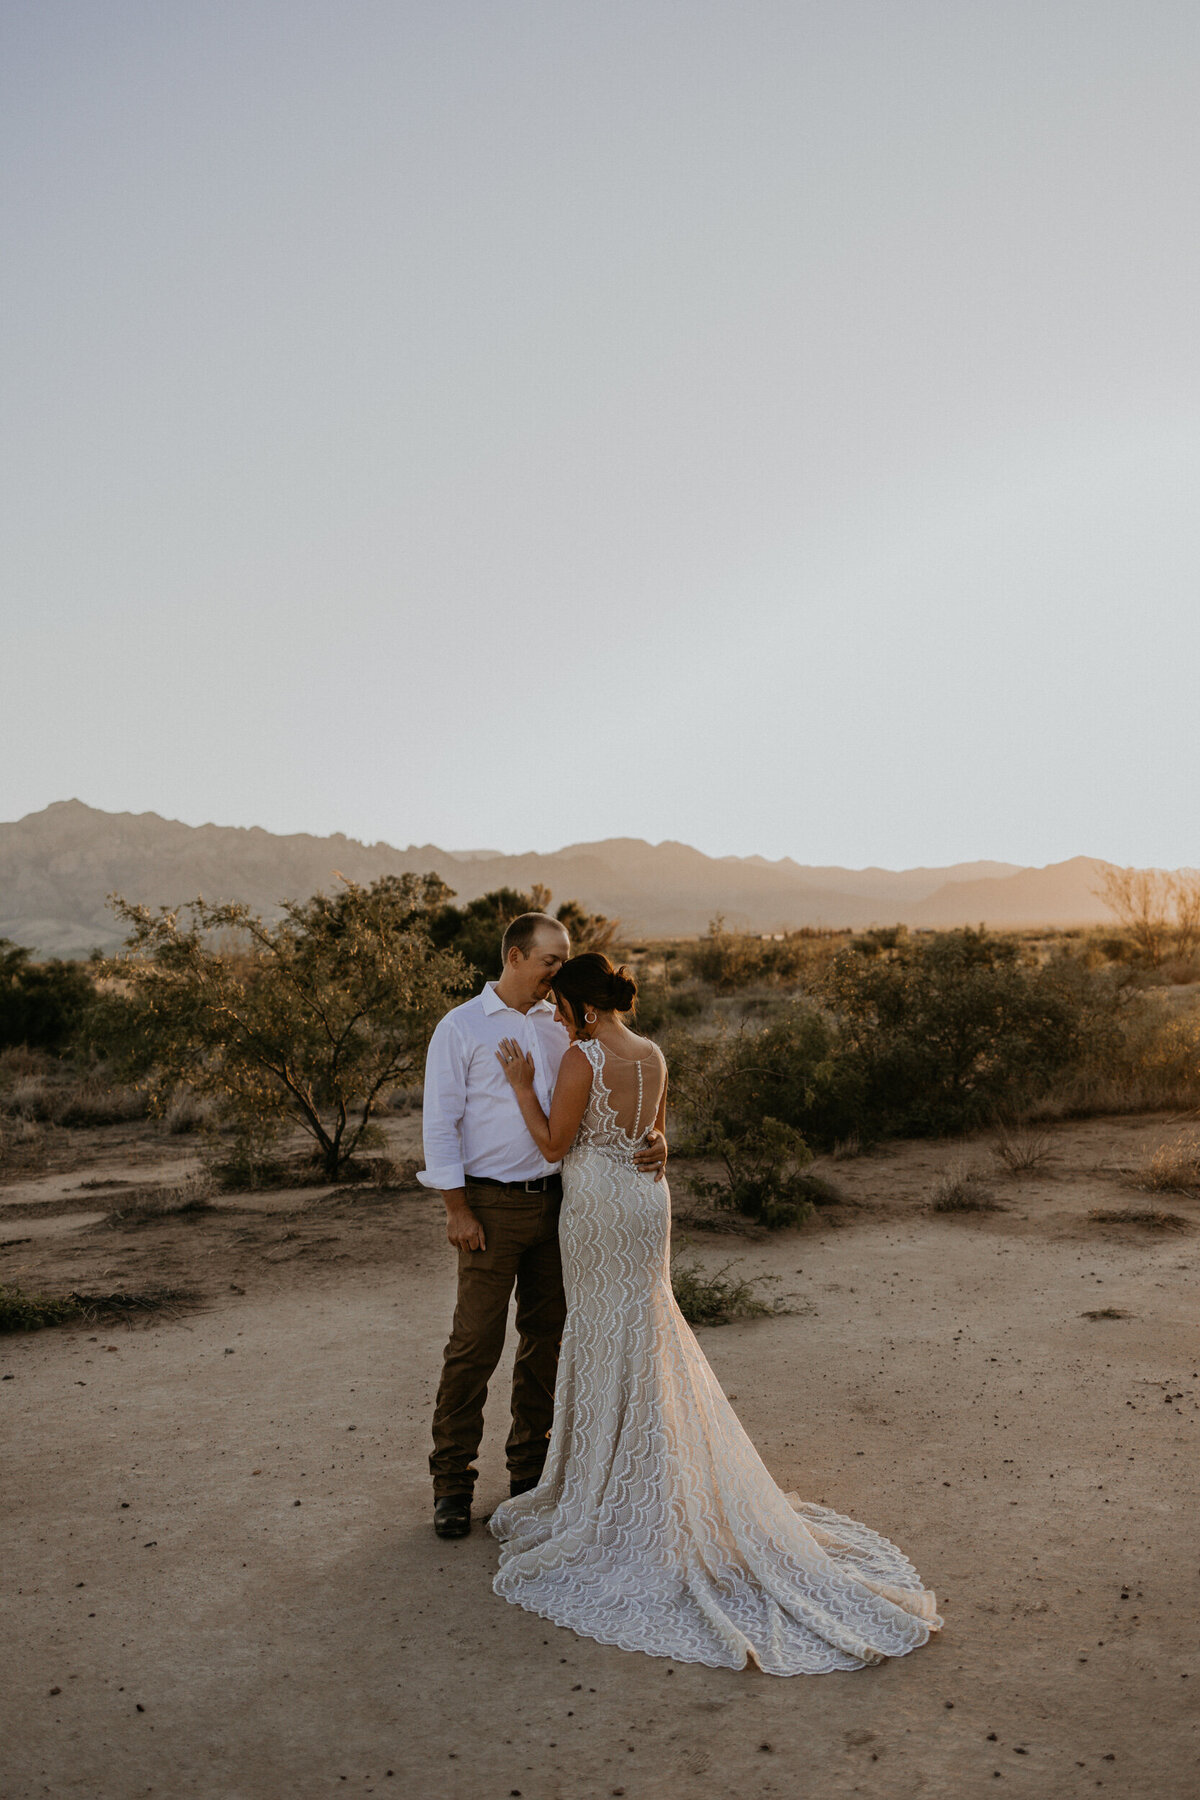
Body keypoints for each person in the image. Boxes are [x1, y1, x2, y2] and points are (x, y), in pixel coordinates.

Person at [487, 951, 942, 1675]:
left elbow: (553, 1144)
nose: (558, 1020)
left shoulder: (582, 1062)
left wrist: (519, 1085)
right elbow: (657, 1136)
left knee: (609, 1335)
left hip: (600, 1208)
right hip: (647, 1204)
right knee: (648, 1329)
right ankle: (645, 1468)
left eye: (563, 1009)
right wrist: (658, 1143)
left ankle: (606, 1486)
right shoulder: (655, 1054)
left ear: (586, 1010)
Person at [420, 914, 667, 1540]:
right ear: (514, 956)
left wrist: (657, 1137)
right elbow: (439, 1122)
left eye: (564, 962)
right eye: (549, 960)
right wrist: (455, 1206)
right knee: (474, 1344)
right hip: (490, 1206)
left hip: (565, 1204)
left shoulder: (566, 1026)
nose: (559, 971)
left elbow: (611, 1098)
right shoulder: (462, 1027)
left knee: (545, 1344)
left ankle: (531, 1477)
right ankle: (452, 1485)